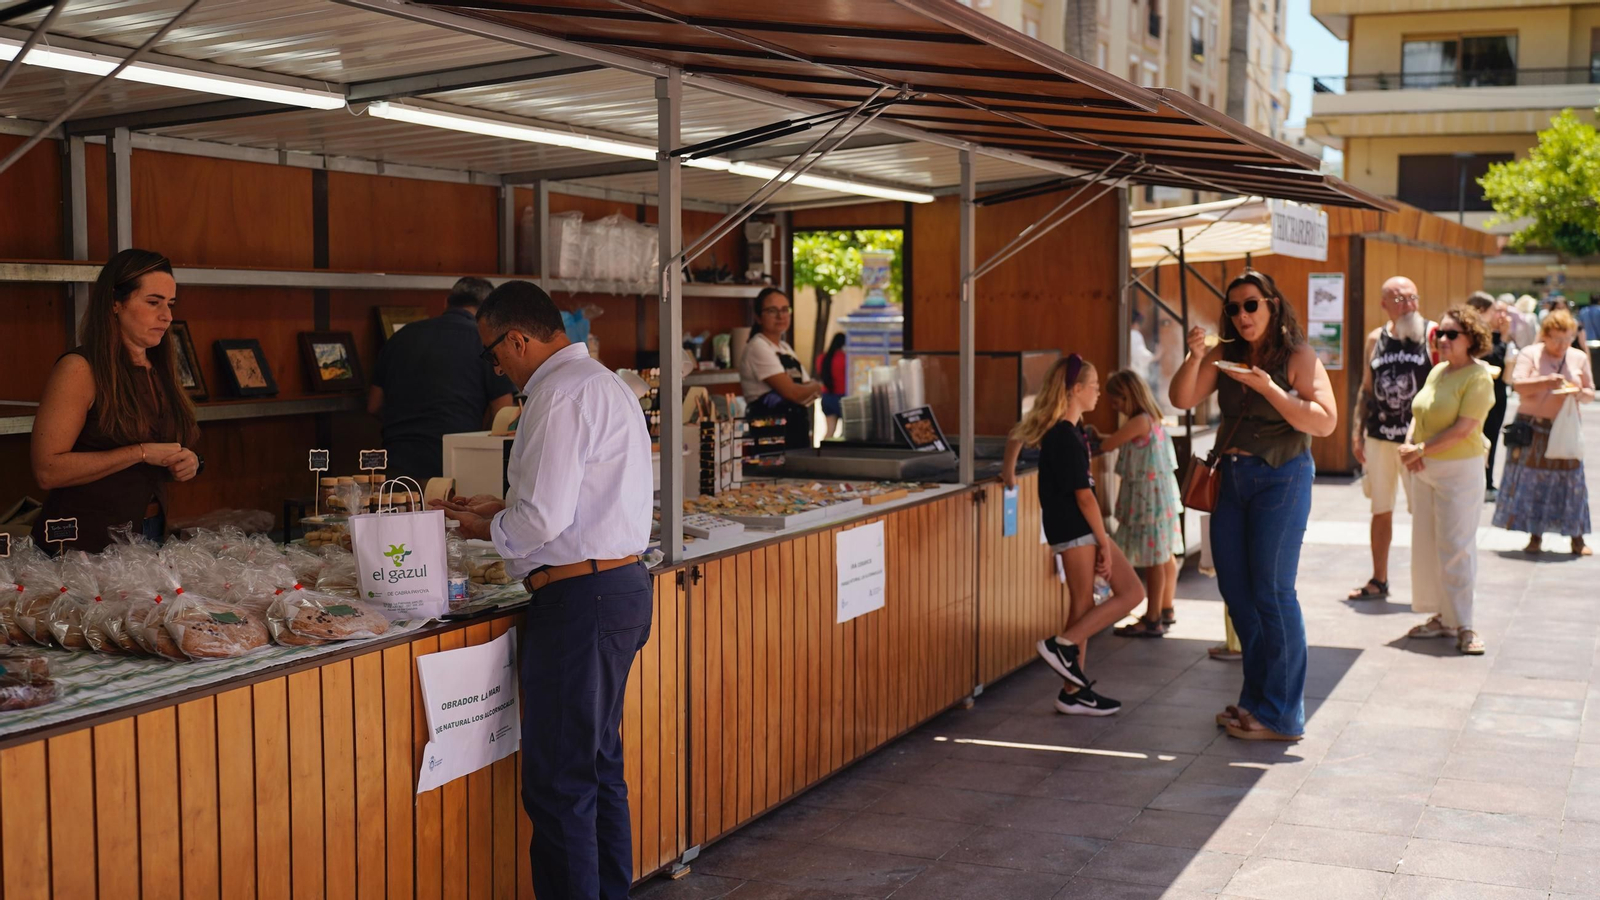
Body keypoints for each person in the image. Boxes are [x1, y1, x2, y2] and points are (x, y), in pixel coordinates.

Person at [434, 281, 652, 900]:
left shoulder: (557, 395)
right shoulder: (604, 383)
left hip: (583, 600)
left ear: (518, 338)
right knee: (595, 768)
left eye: (492, 352)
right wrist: (508, 507)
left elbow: (544, 522)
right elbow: (578, 501)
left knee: (560, 783)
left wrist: (488, 525)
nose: (495, 366)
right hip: (616, 585)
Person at [1169, 269, 1338, 742]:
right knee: (1238, 594)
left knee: (1273, 593)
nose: (1242, 315)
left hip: (1281, 478)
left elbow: (1325, 422)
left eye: (1251, 305)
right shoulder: (1225, 353)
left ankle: (1282, 715)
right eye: (1233, 308)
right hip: (1231, 479)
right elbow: (1181, 397)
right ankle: (1256, 701)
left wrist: (1271, 390)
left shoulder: (1299, 356)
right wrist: (1194, 355)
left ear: (1272, 305)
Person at [31, 249, 202, 553]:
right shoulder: (80, 368)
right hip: (82, 544)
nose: (167, 316)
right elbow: (47, 469)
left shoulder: (160, 367)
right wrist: (139, 453)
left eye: (170, 304)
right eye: (153, 302)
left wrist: (188, 462)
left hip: (149, 533)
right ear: (115, 303)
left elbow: (159, 448)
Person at [1020, 355, 1145, 716]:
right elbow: (1084, 496)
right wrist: (1103, 541)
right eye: (1092, 387)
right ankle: (1063, 645)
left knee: (1082, 605)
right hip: (1077, 531)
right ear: (1075, 390)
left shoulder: (1070, 432)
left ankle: (1073, 689)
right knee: (1131, 592)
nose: (1097, 395)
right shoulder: (1064, 435)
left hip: (1076, 530)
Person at [1399, 307, 1496, 655]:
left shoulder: (1478, 376)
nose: (1442, 340)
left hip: (1459, 470)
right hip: (1426, 469)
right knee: (1427, 546)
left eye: (1452, 334)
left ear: (1472, 339)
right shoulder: (1438, 370)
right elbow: (1420, 412)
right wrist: (1413, 446)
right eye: (1441, 332)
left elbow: (1464, 429)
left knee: (1457, 547)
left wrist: (1420, 449)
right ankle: (1443, 616)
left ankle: (1466, 625)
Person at [368, 277, 516, 482]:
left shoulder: (402, 336)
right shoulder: (485, 343)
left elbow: (374, 405)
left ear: (446, 302)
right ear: (491, 314)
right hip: (456, 469)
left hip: (396, 467)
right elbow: (503, 414)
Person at [1347, 276, 1434, 601]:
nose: (1408, 304)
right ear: (1384, 304)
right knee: (1380, 508)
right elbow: (1366, 388)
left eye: (1412, 297)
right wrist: (1357, 432)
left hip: (1419, 441)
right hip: (1380, 436)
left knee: (1424, 510)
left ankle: (1431, 583)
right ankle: (1379, 579)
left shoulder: (1432, 333)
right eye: (1399, 299)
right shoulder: (1376, 339)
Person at [1494, 309, 1595, 556]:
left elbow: (1590, 391)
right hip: (1534, 428)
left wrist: (1579, 393)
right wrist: (1546, 382)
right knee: (1532, 482)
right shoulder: (1531, 354)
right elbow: (1518, 384)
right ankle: (1534, 535)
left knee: (1571, 482)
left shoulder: (1578, 357)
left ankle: (1576, 537)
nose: (1562, 345)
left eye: (1567, 339)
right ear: (1545, 335)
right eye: (1556, 339)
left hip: (1565, 429)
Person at [1094, 369, 1182, 638]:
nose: (1114, 406)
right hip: (1160, 497)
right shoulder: (1152, 418)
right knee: (1165, 554)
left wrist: (1098, 438)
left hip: (1146, 500)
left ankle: (1152, 617)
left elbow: (1109, 445)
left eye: (1117, 400)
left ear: (1129, 396)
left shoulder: (1139, 421)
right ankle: (1166, 608)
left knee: (1155, 560)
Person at [739, 288, 820, 451]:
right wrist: (815, 386)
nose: (780, 316)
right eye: (772, 310)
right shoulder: (758, 347)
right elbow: (795, 393)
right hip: (770, 438)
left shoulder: (785, 348)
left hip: (796, 434)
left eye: (785, 310)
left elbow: (807, 392)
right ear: (758, 317)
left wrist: (808, 389)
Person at [1466, 292, 1513, 501]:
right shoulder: (1472, 334)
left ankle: (1486, 482)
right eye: (1496, 310)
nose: (1500, 315)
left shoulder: (1491, 333)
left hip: (1495, 395)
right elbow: (1492, 360)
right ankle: (1480, 483)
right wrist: (1503, 338)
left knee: (1490, 439)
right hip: (1480, 395)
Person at [814, 332, 848, 441]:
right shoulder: (845, 358)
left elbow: (820, 373)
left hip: (827, 397)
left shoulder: (822, 358)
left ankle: (822, 453)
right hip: (843, 398)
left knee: (829, 431)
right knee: (844, 433)